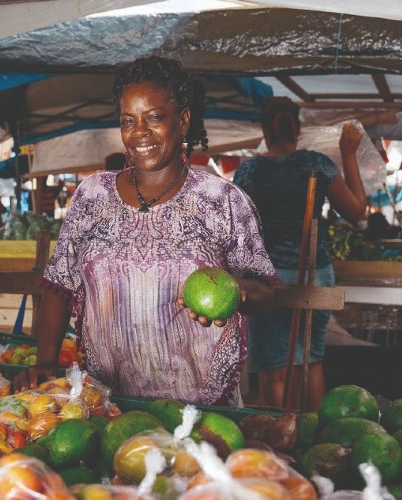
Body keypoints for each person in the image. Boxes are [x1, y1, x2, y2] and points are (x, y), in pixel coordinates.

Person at [20, 56, 276, 406]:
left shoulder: (222, 201)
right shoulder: (92, 195)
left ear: (182, 120)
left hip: (199, 406)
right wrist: (46, 364)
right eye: (128, 121)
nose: (139, 133)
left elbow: (266, 291)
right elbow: (60, 283)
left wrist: (237, 291)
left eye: (154, 118)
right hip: (108, 400)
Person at [233, 97, 368, 411]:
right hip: (315, 272)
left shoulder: (249, 170)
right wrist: (349, 154)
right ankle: (311, 440)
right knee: (310, 361)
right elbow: (357, 211)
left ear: (265, 130)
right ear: (298, 129)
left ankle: (282, 442)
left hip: (264, 278)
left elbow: (236, 227)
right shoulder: (316, 163)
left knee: (273, 368)